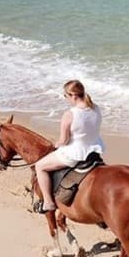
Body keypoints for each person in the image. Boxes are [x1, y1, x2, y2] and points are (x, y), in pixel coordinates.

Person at [34, 79, 105, 213]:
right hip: (94, 149)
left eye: (65, 96)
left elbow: (64, 141)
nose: (66, 99)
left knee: (40, 166)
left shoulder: (70, 114)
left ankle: (48, 202)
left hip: (75, 154)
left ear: (73, 95)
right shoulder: (96, 108)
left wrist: (57, 143)